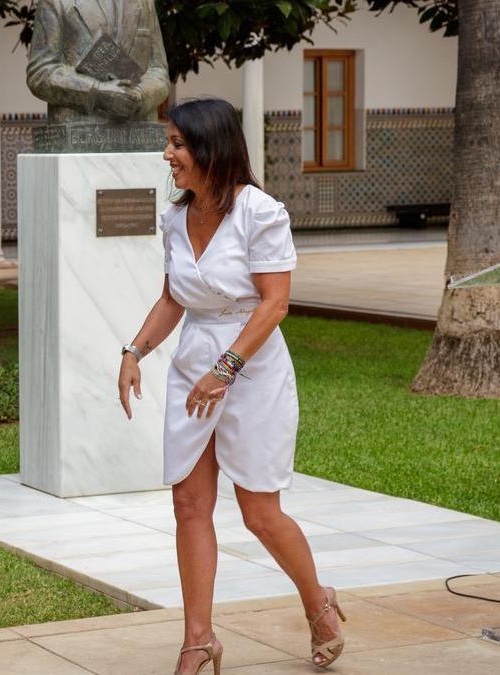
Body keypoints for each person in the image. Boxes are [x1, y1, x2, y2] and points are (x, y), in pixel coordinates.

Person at [118, 98, 346, 673]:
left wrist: (227, 370)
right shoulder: (175, 217)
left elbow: (275, 303)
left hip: (253, 367)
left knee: (258, 511)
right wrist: (134, 350)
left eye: (176, 144)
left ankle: (318, 603)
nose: (167, 154)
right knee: (189, 503)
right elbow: (175, 296)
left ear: (210, 148)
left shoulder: (260, 212)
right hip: (194, 364)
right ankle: (199, 639)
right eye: (168, 143)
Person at [26, 0, 169, 124]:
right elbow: (40, 72)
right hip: (79, 132)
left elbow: (158, 70)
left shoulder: (145, 3)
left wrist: (139, 96)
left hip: (138, 130)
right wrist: (97, 92)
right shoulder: (56, 2)